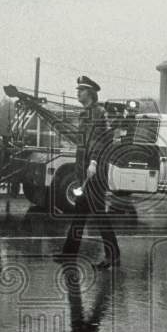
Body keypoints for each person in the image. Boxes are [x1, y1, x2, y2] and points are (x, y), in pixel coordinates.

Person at [55, 76, 121, 268]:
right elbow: (83, 143)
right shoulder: (85, 114)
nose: (77, 93)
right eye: (78, 90)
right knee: (79, 216)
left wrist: (93, 161)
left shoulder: (100, 113)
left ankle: (113, 256)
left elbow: (104, 139)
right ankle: (69, 254)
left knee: (100, 216)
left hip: (95, 173)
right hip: (84, 173)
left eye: (81, 90)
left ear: (90, 93)